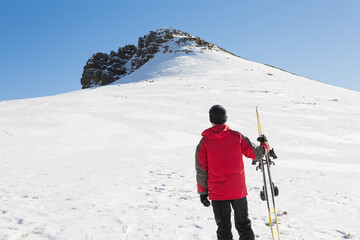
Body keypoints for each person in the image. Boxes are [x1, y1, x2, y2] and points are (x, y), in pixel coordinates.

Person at [195, 105, 270, 240]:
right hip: (238, 191)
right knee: (243, 225)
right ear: (225, 119)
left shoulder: (205, 142)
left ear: (210, 119)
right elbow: (256, 154)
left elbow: (201, 170)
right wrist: (265, 145)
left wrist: (202, 192)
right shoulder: (237, 137)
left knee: (223, 228)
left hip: (218, 193)